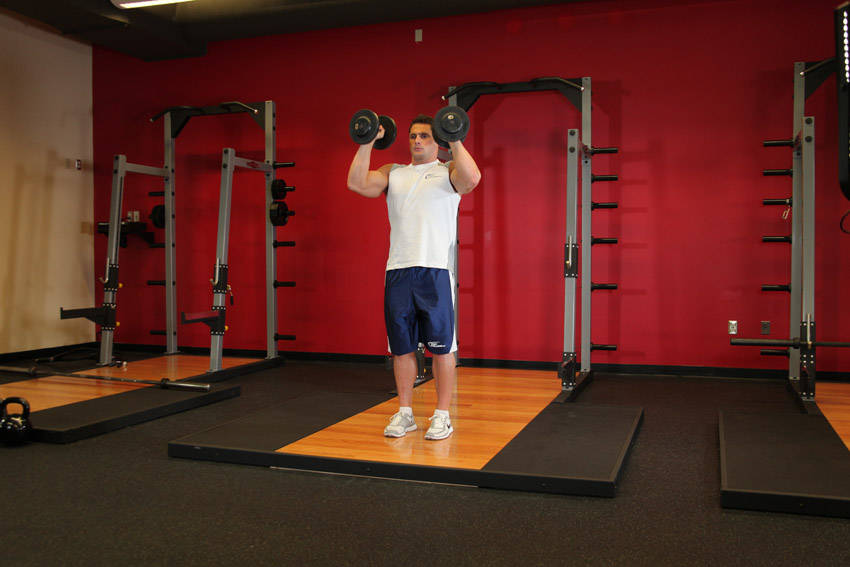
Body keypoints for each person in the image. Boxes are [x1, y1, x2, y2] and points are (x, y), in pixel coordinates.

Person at [347, 114, 481, 440]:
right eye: (413, 136)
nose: (417, 141)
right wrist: (366, 142)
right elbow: (356, 183)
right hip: (398, 270)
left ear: (437, 140)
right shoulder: (393, 173)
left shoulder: (447, 171)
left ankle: (442, 415)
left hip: (434, 271)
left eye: (424, 136)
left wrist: (455, 138)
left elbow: (472, 179)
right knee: (401, 347)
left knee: (442, 348)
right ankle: (405, 412)